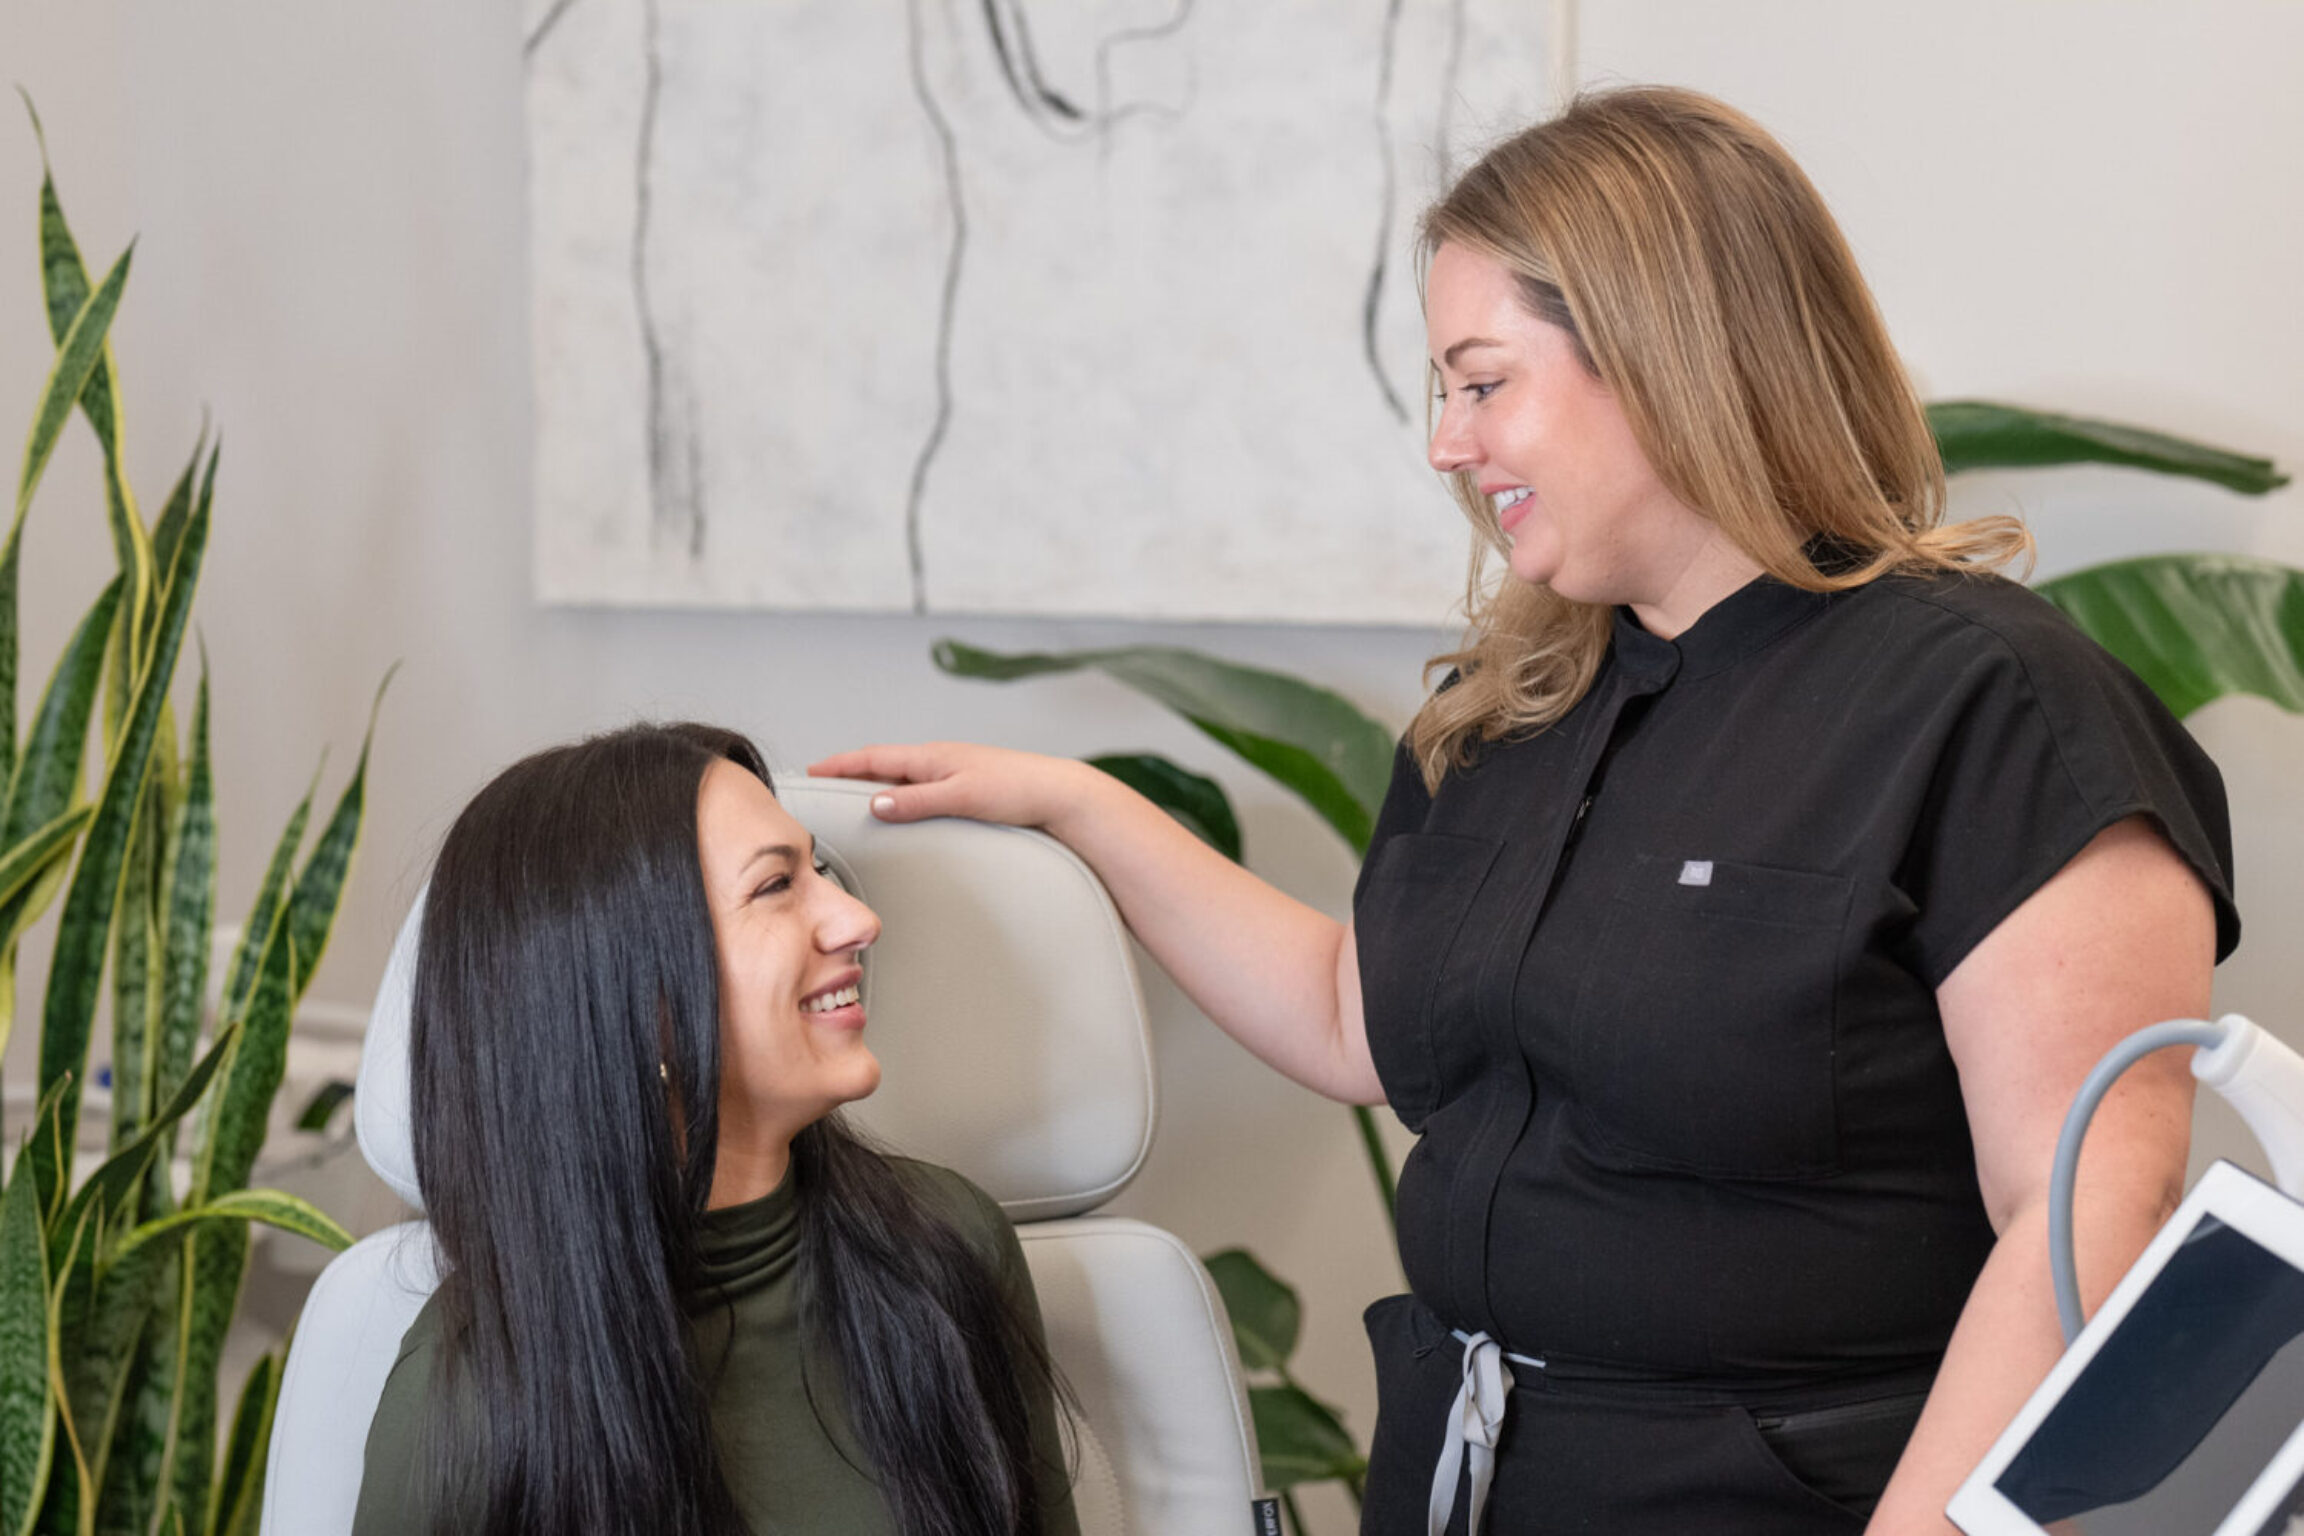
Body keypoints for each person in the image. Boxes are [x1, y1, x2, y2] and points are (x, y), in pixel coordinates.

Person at [813, 87, 2239, 1535]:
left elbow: (2087, 1224)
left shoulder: (1991, 704)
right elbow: (1352, 1018)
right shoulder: (1512, 713)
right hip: (1463, 1478)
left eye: (1483, 383)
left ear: (1668, 354)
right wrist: (1085, 810)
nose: (1447, 443)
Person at [352, 722, 1080, 1536]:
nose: (855, 920)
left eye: (821, 872)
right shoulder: (464, 1403)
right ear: (638, 1004)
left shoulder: (951, 1250)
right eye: (776, 887)